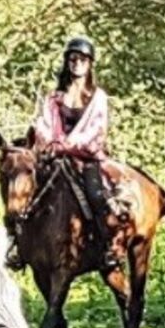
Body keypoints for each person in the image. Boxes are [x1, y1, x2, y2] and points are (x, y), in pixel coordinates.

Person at [32, 36, 126, 271]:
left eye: (82, 59)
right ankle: (20, 245)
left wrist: (68, 143)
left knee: (96, 195)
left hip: (85, 158)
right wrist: (49, 141)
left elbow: (97, 128)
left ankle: (109, 246)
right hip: (56, 156)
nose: (77, 63)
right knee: (27, 189)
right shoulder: (54, 98)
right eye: (73, 59)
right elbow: (42, 123)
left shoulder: (98, 97)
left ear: (89, 64)